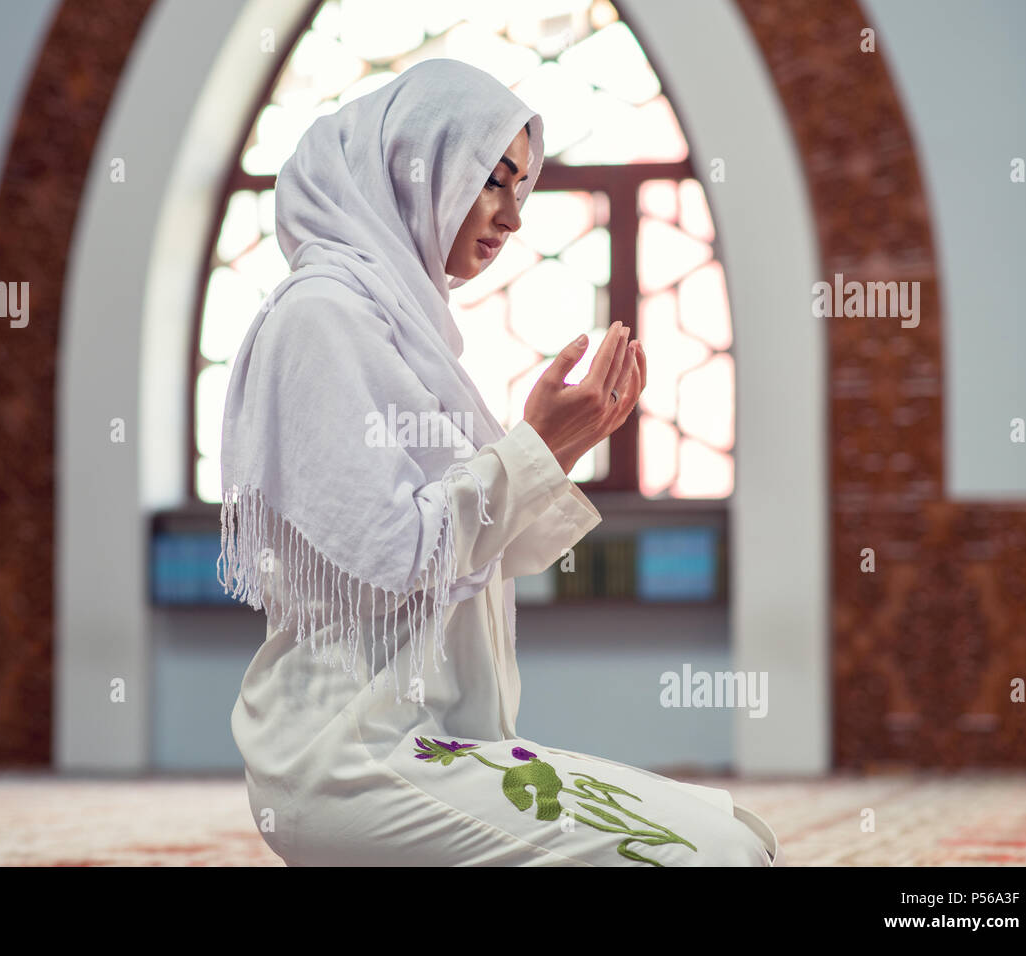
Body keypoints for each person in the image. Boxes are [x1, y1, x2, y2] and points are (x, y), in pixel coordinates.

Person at [219, 58, 781, 866]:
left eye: (522, 188)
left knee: (736, 835)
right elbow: (397, 555)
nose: (512, 216)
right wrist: (532, 449)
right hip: (348, 758)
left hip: (442, 741)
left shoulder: (412, 335)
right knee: (705, 862)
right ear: (415, 164)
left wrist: (559, 448)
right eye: (493, 179)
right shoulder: (320, 320)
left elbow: (476, 554)